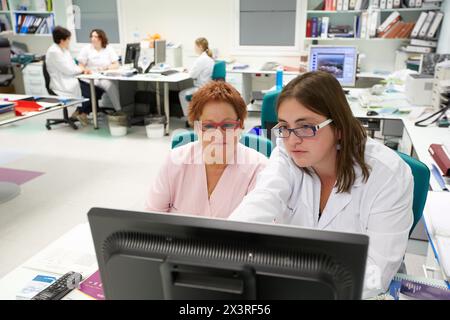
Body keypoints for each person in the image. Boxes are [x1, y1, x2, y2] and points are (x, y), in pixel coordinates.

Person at [229, 71, 414, 298]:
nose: (292, 140)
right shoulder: (286, 156)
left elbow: (376, 273)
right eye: (285, 127)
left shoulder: (388, 175)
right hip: (297, 282)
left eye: (306, 127)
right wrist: (224, 251)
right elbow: (260, 203)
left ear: (338, 127)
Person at [145, 81, 268, 219]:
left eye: (227, 125)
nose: (218, 134)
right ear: (197, 128)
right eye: (208, 126)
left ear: (239, 126)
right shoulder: (175, 161)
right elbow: (152, 217)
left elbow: (260, 231)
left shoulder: (259, 169)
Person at [74, 29, 121, 125]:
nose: (93, 39)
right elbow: (80, 65)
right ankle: (82, 112)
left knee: (110, 86)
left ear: (101, 38)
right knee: (91, 92)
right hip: (89, 77)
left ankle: (119, 110)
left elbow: (116, 64)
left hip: (102, 76)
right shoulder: (86, 49)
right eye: (92, 36)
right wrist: (84, 70)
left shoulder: (108, 48)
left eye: (96, 36)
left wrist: (106, 67)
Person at [45, 26, 87, 98]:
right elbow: (69, 70)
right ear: (62, 40)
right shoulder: (54, 52)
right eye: (68, 39)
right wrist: (82, 69)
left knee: (89, 88)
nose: (69, 41)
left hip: (70, 80)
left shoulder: (63, 49)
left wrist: (81, 69)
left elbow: (72, 65)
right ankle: (84, 109)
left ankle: (84, 108)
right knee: (89, 91)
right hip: (62, 85)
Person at [178, 37, 215, 117]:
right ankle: (195, 116)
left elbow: (192, 75)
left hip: (202, 88)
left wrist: (189, 72)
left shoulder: (201, 59)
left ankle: (190, 118)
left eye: (195, 46)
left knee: (182, 94)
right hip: (208, 87)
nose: (194, 48)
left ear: (200, 47)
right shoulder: (209, 58)